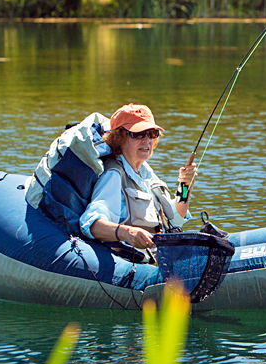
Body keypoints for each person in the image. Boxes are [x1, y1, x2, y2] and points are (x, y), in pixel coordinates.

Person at [80, 104, 197, 255]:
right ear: (119, 138)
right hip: (139, 266)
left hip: (164, 254)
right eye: (139, 134)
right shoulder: (114, 175)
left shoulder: (145, 171)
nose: (147, 140)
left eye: (152, 133)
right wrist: (126, 232)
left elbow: (175, 219)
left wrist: (185, 185)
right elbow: (91, 224)